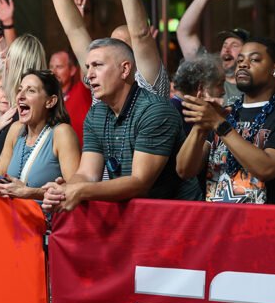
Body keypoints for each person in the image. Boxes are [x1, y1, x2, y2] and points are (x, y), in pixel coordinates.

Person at [42, 38, 201, 212]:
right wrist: (65, 190)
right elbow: (87, 174)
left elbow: (139, 183)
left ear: (125, 69)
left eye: (97, 65)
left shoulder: (155, 110)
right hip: (135, 215)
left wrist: (80, 190)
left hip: (179, 216)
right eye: (88, 67)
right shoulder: (96, 113)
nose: (89, 75)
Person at [176, 38, 275, 204]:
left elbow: (266, 168)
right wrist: (201, 126)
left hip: (266, 226)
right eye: (240, 60)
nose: (243, 64)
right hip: (216, 224)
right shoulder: (224, 114)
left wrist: (219, 124)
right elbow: (184, 170)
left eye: (254, 59)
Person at [39, 0, 169, 101]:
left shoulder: (148, 85)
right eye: (111, 42)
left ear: (130, 64)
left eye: (119, 44)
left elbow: (141, 35)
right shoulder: (100, 87)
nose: (110, 47)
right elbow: (75, 30)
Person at [176, 0, 248, 103]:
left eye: (234, 45)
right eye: (224, 45)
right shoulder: (210, 72)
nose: (226, 49)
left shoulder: (253, 85)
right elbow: (184, 32)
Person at [171, 53, 226, 132]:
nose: (223, 91)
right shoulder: (175, 115)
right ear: (201, 87)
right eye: (220, 84)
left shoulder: (178, 109)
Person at [49, 50, 91, 143]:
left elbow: (86, 61)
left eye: (59, 67)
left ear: (72, 70)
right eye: (51, 67)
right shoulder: (48, 100)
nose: (53, 71)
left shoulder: (82, 90)